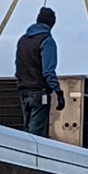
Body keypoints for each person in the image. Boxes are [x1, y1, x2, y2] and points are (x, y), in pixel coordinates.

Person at [15, 7, 65, 136]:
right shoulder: (47, 41)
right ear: (52, 23)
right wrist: (58, 91)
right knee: (36, 134)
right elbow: (48, 71)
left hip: (23, 90)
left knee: (27, 131)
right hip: (39, 91)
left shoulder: (22, 40)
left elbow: (18, 65)